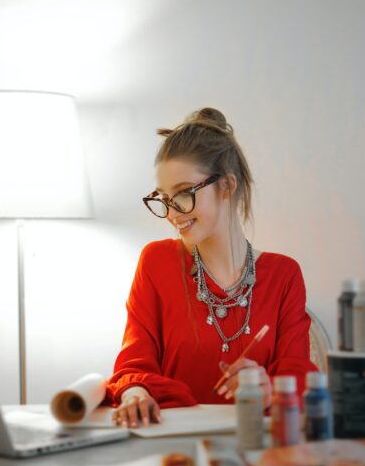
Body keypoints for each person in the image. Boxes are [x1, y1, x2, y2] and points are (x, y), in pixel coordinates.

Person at [105, 108, 317, 428]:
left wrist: (268, 386)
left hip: (256, 447)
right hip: (173, 448)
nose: (172, 214)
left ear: (227, 186)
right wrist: (135, 393)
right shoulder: (156, 262)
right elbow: (133, 365)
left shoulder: (283, 275)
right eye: (164, 198)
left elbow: (298, 373)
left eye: (184, 193)